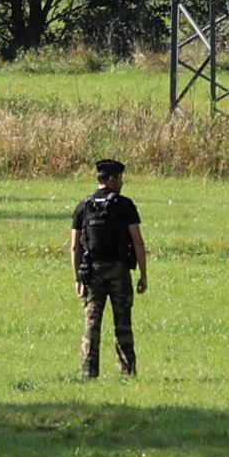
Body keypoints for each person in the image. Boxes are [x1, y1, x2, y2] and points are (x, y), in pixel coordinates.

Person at [71, 158, 148, 379]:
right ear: (112, 179)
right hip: (119, 272)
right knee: (122, 322)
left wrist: (77, 278)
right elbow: (138, 242)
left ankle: (88, 371)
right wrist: (143, 274)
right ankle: (127, 371)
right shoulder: (125, 205)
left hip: (92, 272)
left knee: (92, 323)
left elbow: (75, 246)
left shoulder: (83, 206)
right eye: (120, 178)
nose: (122, 182)